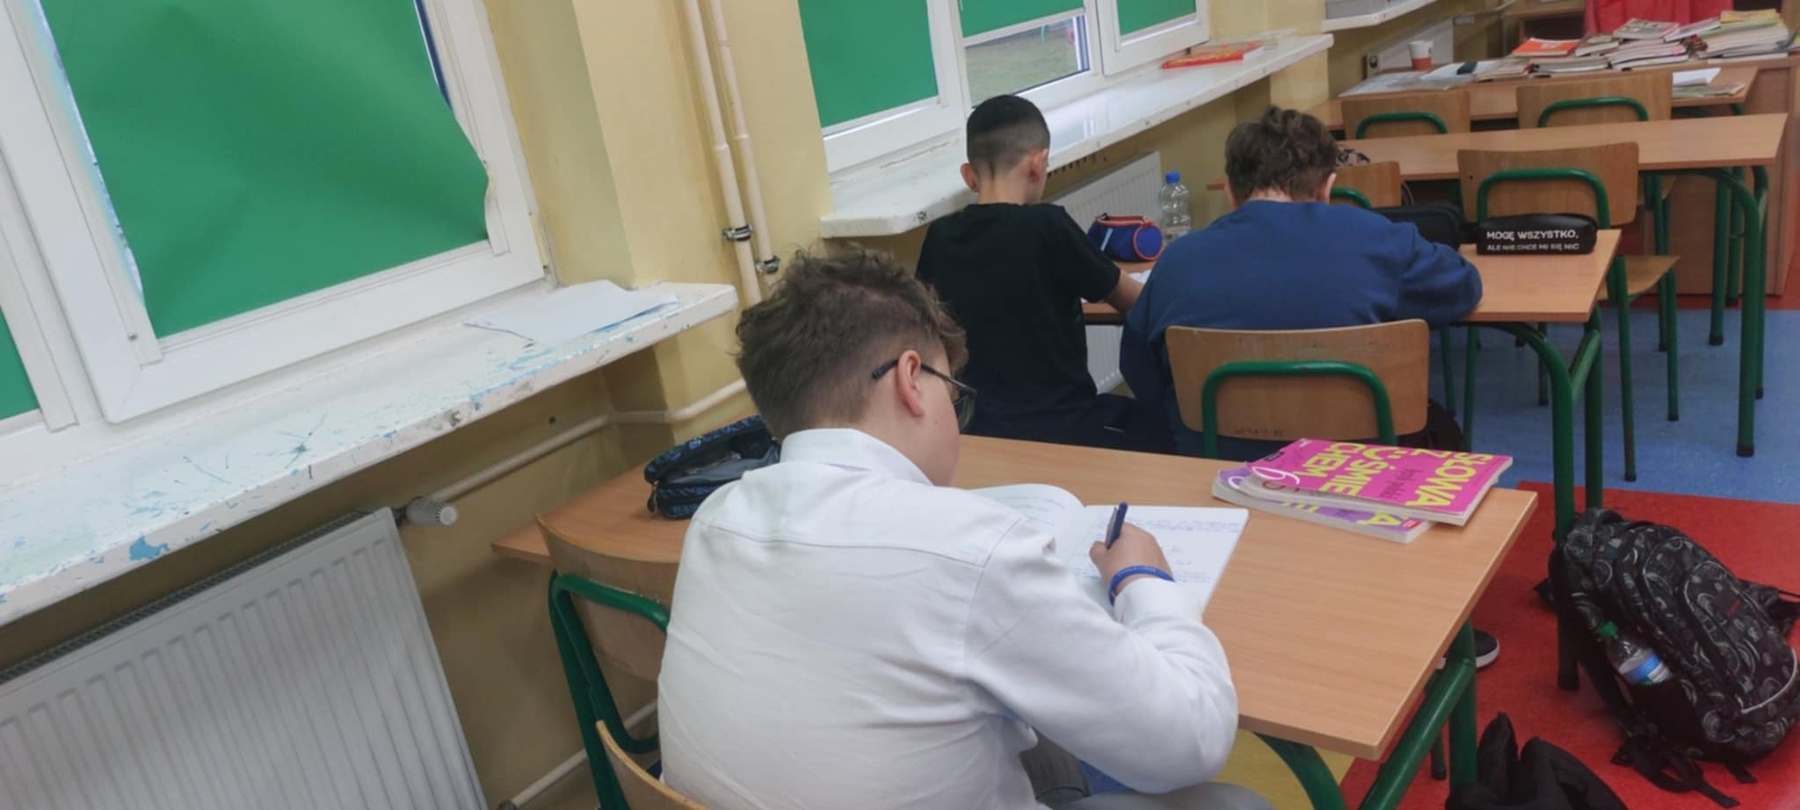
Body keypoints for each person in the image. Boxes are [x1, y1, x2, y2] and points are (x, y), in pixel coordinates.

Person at [657, 250, 1267, 810]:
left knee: (1036, 736)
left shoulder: (716, 517)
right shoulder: (971, 549)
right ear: (910, 379)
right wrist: (1144, 581)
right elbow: (1192, 742)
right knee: (1234, 804)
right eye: (954, 393)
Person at [1118, 106, 1495, 669]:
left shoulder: (1180, 260)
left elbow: (1141, 374)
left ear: (1231, 192)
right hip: (1359, 466)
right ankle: (1436, 620)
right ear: (1327, 187)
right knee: (1441, 429)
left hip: (1219, 467)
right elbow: (1463, 287)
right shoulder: (1374, 237)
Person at [917, 95, 1168, 453]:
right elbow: (1136, 302)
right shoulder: (1048, 225)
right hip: (1065, 428)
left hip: (974, 429)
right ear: (1038, 164)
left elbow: (928, 328)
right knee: (1165, 425)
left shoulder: (940, 237)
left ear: (969, 176)